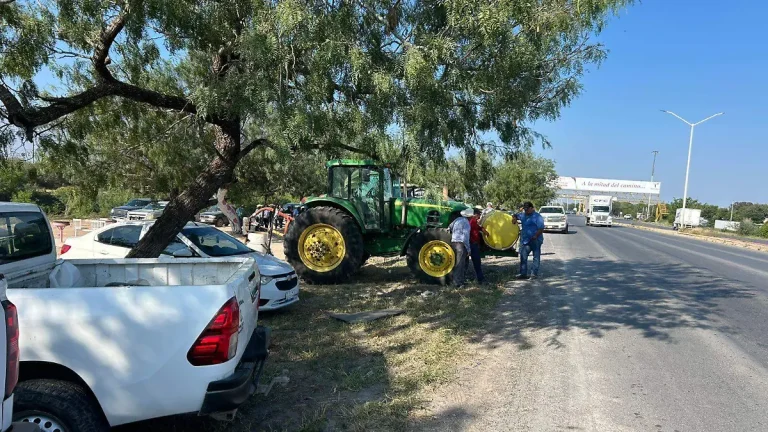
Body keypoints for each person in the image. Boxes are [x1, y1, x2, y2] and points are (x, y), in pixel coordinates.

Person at [515, 202, 545, 279]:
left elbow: (541, 228)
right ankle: (523, 273)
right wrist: (514, 218)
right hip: (525, 240)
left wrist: (535, 236)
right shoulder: (523, 215)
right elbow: (516, 216)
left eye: (527, 209)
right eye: (525, 209)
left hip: (536, 240)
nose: (526, 211)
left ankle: (534, 274)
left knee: (536, 257)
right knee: (523, 256)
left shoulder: (538, 217)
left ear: (532, 208)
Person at [448, 208, 474, 287]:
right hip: (461, 244)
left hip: (453, 243)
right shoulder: (466, 223)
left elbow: (449, 227)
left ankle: (459, 280)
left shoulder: (457, 219)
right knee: (460, 264)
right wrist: (468, 249)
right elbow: (465, 237)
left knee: (457, 262)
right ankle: (458, 283)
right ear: (469, 217)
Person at [469, 208, 488, 284]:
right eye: (479, 214)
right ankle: (480, 279)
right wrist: (473, 241)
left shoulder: (473, 221)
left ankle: (480, 278)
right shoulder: (472, 221)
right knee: (477, 262)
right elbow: (469, 232)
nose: (479, 216)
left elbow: (478, 227)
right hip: (473, 244)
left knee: (476, 262)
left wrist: (482, 229)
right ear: (475, 214)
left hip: (474, 243)